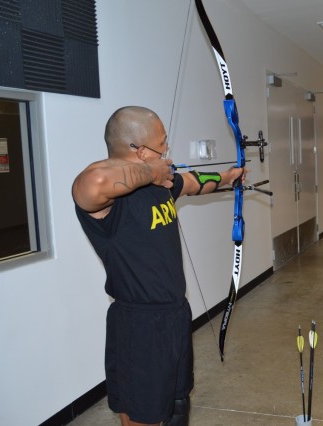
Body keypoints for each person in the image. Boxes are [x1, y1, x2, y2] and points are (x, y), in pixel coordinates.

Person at [72, 106, 245, 426]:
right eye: (161, 144)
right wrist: (152, 172)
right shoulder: (105, 198)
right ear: (137, 151)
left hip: (174, 316)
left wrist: (228, 177)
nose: (166, 150)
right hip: (140, 325)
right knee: (143, 413)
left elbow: (193, 182)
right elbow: (92, 183)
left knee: (176, 404)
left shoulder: (157, 187)